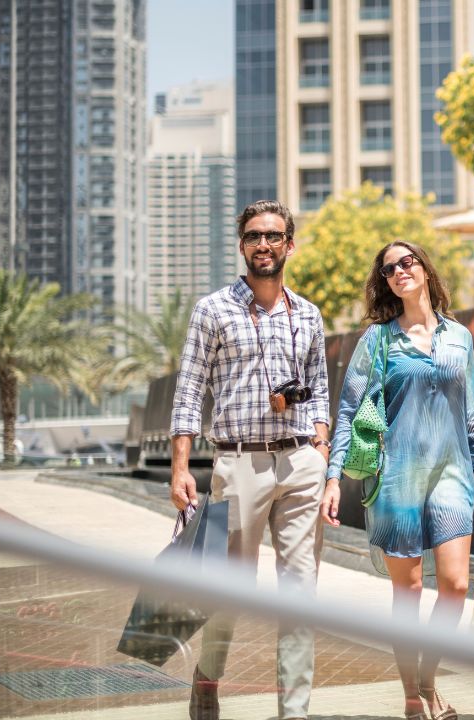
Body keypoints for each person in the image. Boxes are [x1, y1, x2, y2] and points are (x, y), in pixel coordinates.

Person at [321, 240, 474, 720]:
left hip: (452, 475)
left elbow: (471, 414)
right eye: (389, 269)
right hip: (396, 479)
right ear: (386, 282)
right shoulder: (378, 340)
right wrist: (333, 477)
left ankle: (428, 679)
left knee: (454, 586)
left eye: (407, 262)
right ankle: (413, 697)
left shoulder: (460, 337)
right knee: (407, 593)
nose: (399, 271)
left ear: (425, 270)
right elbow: (348, 409)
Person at [169, 200, 332, 720]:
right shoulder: (213, 309)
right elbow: (189, 391)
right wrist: (180, 469)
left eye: (275, 235)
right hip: (238, 465)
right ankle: (208, 674)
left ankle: (295, 711)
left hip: (301, 464)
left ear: (290, 244)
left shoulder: (307, 314)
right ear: (242, 246)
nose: (265, 244)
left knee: (300, 590)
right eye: (255, 236)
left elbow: (321, 388)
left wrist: (321, 447)